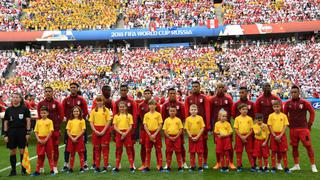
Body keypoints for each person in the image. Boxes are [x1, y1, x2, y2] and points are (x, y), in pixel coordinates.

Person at [284, 85, 318, 172]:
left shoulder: (305, 102)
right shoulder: (288, 103)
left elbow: (312, 112)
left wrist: (309, 124)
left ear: (299, 93)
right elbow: (285, 115)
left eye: (295, 92)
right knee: (294, 147)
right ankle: (296, 165)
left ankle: (313, 165)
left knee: (308, 146)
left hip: (303, 129)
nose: (293, 94)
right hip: (293, 130)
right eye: (292, 92)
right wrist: (288, 124)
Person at [62, 82, 89, 171]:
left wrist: (81, 120)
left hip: (80, 126)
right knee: (67, 146)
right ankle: (66, 164)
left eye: (74, 87)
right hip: (70, 126)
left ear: (77, 88)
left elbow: (85, 112)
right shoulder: (66, 100)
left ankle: (85, 163)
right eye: (71, 87)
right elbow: (62, 111)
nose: (73, 88)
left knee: (83, 146)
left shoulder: (82, 100)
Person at [255, 83, 283, 170]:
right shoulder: (259, 99)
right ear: (262, 88)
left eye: (268, 87)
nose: (267, 88)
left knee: (277, 145)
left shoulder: (276, 98)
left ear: (271, 88)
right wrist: (259, 124)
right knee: (264, 144)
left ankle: (278, 163)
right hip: (263, 125)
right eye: (265, 86)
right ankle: (265, 164)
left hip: (274, 125)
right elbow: (257, 112)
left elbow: (281, 111)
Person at [3, 93, 31, 176]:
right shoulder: (8, 110)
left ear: (20, 99)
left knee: (22, 151)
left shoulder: (25, 109)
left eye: (17, 97)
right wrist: (5, 134)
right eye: (14, 97)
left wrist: (28, 132)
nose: (15, 99)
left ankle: (23, 170)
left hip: (22, 132)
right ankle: (13, 170)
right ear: (12, 99)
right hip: (11, 132)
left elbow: (28, 120)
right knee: (12, 151)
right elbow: (5, 122)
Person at [37, 86, 64, 173]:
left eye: (49, 91)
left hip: (54, 130)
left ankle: (55, 166)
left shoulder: (57, 103)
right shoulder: (40, 104)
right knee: (42, 149)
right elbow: (38, 116)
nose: (48, 93)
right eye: (46, 91)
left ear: (52, 93)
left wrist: (56, 125)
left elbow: (61, 116)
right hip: (43, 131)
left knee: (55, 148)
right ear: (44, 93)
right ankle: (41, 167)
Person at [185, 81, 210, 168]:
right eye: (193, 86)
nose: (195, 88)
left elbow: (207, 111)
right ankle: (193, 163)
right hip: (192, 127)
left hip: (202, 126)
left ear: (200, 87)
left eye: (196, 86)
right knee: (192, 146)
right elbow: (186, 112)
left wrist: (207, 125)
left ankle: (205, 161)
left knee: (204, 144)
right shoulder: (188, 98)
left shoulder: (204, 98)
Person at [210, 82, 235, 170]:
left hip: (227, 125)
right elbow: (210, 112)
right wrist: (211, 125)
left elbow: (232, 110)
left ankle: (231, 162)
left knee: (229, 147)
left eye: (222, 87)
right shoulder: (212, 99)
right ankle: (218, 163)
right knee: (218, 146)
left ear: (224, 88)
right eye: (219, 87)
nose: (220, 89)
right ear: (216, 88)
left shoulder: (228, 98)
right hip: (217, 125)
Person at [161, 87, 187, 169]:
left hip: (179, 130)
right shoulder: (165, 105)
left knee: (181, 147)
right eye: (170, 93)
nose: (172, 95)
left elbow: (184, 117)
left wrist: (182, 129)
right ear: (168, 94)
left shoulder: (180, 104)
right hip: (168, 132)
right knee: (168, 149)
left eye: (174, 93)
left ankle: (184, 162)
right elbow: (163, 118)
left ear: (176, 94)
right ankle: (167, 164)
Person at [113, 84, 138, 168]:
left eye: (125, 90)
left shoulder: (132, 102)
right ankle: (118, 164)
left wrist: (133, 130)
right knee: (118, 148)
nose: (123, 91)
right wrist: (114, 130)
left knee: (130, 147)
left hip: (129, 130)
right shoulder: (116, 103)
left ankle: (132, 163)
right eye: (122, 90)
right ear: (119, 91)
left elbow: (135, 116)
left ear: (127, 91)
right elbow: (114, 116)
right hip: (119, 130)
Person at [138, 89, 161, 171]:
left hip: (154, 130)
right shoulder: (140, 105)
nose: (147, 95)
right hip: (144, 129)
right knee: (143, 147)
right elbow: (140, 117)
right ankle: (144, 164)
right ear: (143, 95)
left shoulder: (156, 105)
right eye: (145, 93)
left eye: (148, 93)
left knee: (157, 147)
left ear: (151, 94)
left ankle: (159, 164)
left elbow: (159, 117)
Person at [89, 96, 112, 173]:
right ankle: (97, 167)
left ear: (103, 101)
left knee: (105, 149)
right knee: (97, 149)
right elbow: (91, 122)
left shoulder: (107, 110)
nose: (99, 102)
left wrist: (104, 130)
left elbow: (108, 121)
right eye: (98, 101)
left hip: (104, 130)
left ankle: (105, 167)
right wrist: (95, 130)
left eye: (101, 101)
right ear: (96, 102)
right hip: (96, 130)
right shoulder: (93, 111)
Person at [267, 100, 290, 173]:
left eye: (277, 106)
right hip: (274, 135)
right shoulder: (271, 115)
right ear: (273, 107)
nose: (276, 108)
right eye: (274, 107)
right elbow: (269, 126)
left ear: (280, 107)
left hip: (281, 135)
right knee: (273, 151)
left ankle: (286, 167)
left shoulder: (284, 116)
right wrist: (274, 135)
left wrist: (280, 135)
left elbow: (285, 125)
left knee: (283, 152)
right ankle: (273, 167)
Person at [31, 106, 55, 176]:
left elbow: (51, 131)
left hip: (47, 140)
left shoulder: (50, 121)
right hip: (40, 140)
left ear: (47, 113)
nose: (43, 114)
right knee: (40, 156)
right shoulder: (38, 122)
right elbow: (35, 131)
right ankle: (37, 171)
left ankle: (52, 170)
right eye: (41, 113)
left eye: (44, 113)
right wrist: (38, 139)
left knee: (49, 155)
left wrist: (46, 139)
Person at [112, 101, 135, 173]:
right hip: (119, 133)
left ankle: (131, 166)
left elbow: (131, 126)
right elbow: (115, 126)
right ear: (118, 108)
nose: (122, 108)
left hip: (127, 134)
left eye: (123, 107)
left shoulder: (129, 116)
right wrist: (121, 133)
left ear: (126, 107)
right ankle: (117, 167)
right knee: (118, 150)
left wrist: (125, 133)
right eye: (120, 107)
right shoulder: (116, 116)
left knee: (129, 150)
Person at [142, 99, 163, 172]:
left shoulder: (158, 114)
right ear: (148, 106)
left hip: (156, 133)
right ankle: (147, 166)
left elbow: (160, 125)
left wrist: (155, 134)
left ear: (155, 105)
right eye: (150, 105)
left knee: (158, 150)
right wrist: (150, 134)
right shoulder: (146, 115)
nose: (151, 106)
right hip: (149, 134)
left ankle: (160, 166)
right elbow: (145, 125)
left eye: (153, 104)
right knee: (148, 150)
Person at [234, 103, 255, 172]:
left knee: (250, 151)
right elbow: (236, 129)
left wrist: (245, 136)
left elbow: (252, 129)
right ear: (239, 110)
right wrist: (241, 137)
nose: (245, 111)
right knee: (239, 151)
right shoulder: (237, 119)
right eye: (243, 109)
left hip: (248, 136)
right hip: (239, 136)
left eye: (246, 109)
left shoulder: (250, 118)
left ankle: (252, 166)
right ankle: (239, 166)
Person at [184, 104, 205, 172]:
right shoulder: (188, 119)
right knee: (192, 152)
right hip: (191, 137)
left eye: (195, 110)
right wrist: (190, 136)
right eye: (192, 110)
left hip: (199, 137)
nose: (193, 111)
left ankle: (200, 166)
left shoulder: (200, 118)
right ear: (189, 111)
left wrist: (198, 136)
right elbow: (186, 128)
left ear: (197, 111)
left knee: (200, 152)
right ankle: (192, 166)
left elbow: (202, 128)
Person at [163, 106, 184, 172]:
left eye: (173, 111)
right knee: (169, 152)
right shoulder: (166, 120)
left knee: (178, 152)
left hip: (177, 138)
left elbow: (181, 129)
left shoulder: (178, 120)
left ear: (176, 112)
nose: (172, 112)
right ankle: (168, 167)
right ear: (169, 112)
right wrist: (169, 137)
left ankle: (180, 167)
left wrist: (176, 137)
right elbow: (165, 130)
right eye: (171, 111)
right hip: (169, 138)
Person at [66, 106, 86, 173]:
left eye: (77, 111)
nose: (76, 112)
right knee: (72, 153)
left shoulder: (82, 120)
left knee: (81, 153)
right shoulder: (70, 120)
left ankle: (82, 168)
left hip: (79, 138)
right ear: (72, 112)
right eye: (74, 111)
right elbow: (68, 131)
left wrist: (76, 137)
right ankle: (71, 168)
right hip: (71, 138)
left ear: (80, 112)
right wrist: (72, 138)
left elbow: (83, 130)